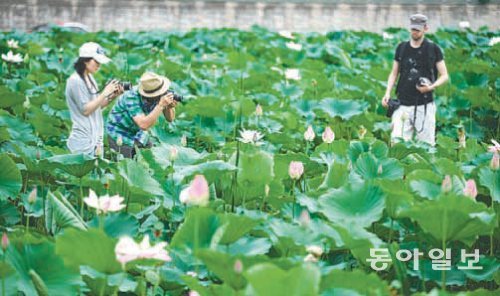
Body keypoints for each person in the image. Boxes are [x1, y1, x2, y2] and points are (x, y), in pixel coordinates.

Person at [382, 14, 449, 146]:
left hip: (424, 105)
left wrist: (431, 87)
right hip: (402, 104)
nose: (415, 32)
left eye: (418, 29)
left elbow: (444, 75)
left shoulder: (433, 49)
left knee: (426, 146)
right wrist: (387, 93)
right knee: (397, 145)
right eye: (413, 29)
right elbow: (394, 73)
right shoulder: (402, 48)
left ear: (426, 28)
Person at [65, 42, 123, 155]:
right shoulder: (75, 81)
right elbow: (85, 110)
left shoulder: (89, 78)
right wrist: (105, 92)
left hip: (95, 139)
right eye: (96, 61)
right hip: (83, 140)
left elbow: (97, 106)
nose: (99, 65)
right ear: (85, 60)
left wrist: (112, 96)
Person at [106, 72, 177, 158]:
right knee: (128, 166)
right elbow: (143, 125)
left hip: (140, 134)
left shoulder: (160, 95)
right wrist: (160, 105)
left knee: (150, 161)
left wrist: (169, 107)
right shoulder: (131, 97)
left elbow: (170, 119)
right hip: (121, 134)